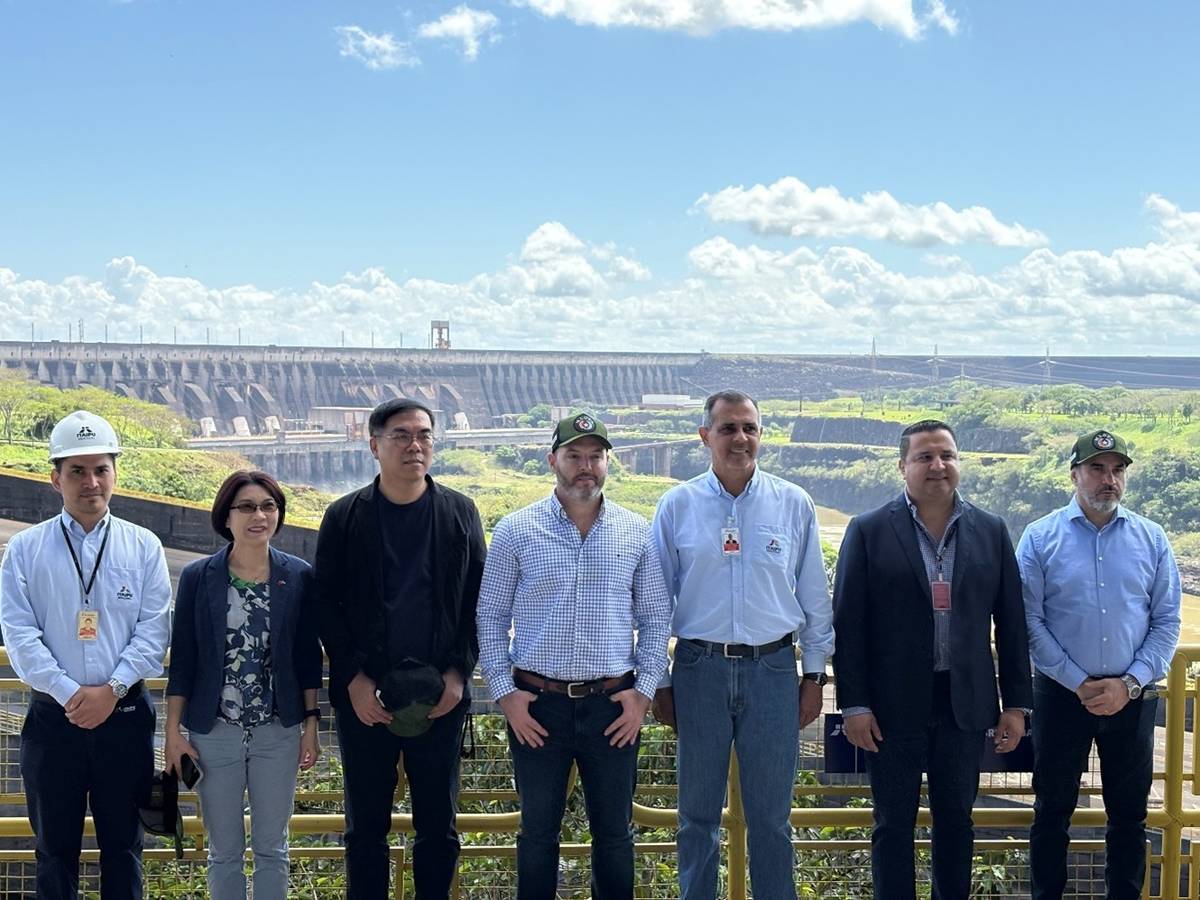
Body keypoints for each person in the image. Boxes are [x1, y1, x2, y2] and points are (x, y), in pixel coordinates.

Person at [831, 419, 1033, 900]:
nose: (937, 465)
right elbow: (849, 624)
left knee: (957, 824)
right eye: (924, 457)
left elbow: (1011, 624)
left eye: (946, 455)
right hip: (891, 709)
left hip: (965, 706)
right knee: (892, 825)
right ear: (902, 466)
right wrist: (854, 704)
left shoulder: (991, 530)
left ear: (959, 463)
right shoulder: (869, 530)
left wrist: (1017, 704)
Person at [476, 413, 671, 899]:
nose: (586, 466)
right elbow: (490, 617)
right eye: (574, 455)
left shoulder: (635, 531)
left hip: (613, 706)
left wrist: (642, 694)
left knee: (615, 835)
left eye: (595, 456)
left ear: (608, 463)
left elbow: (655, 618)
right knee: (538, 835)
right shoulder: (516, 530)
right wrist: (506, 695)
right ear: (552, 461)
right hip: (537, 706)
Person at [650, 389, 834, 900]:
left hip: (773, 670)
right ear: (704, 436)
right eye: (728, 428)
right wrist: (661, 681)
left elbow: (816, 598)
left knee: (773, 819)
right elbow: (655, 602)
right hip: (698, 669)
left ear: (761, 435)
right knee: (696, 818)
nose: (740, 438)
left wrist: (814, 676)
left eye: (749, 428)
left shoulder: (793, 503)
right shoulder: (677, 505)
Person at [313, 397, 486, 899]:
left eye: (425, 435)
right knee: (365, 828)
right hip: (366, 700)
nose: (415, 445)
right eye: (402, 435)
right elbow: (326, 605)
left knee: (439, 827)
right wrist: (353, 680)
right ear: (374, 445)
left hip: (442, 698)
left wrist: (458, 675)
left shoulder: (460, 512)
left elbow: (481, 601)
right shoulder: (345, 516)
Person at [0, 410, 170, 900]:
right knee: (54, 851)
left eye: (101, 469)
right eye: (77, 470)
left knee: (125, 849)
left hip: (126, 718)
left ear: (116, 473)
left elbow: (153, 633)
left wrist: (110, 692)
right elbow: (20, 636)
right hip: (55, 721)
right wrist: (75, 695)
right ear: (55, 478)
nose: (90, 482)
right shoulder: (26, 550)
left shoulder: (143, 546)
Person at [1018, 429, 1181, 900]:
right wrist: (1077, 682)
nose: (1109, 479)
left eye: (1118, 470)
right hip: (1059, 695)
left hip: (1133, 698)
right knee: (1052, 810)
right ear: (1074, 475)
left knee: (1130, 816)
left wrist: (1128, 684)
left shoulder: (1151, 538)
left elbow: (1167, 620)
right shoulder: (1040, 536)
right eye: (1097, 468)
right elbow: (1028, 621)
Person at [164, 470, 323, 899]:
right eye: (247, 507)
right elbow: (184, 660)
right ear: (227, 517)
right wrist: (173, 733)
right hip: (214, 732)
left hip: (279, 730)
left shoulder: (298, 575)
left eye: (269, 506)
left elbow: (308, 658)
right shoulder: (200, 577)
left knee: (273, 848)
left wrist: (310, 723)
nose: (259, 515)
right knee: (223, 851)